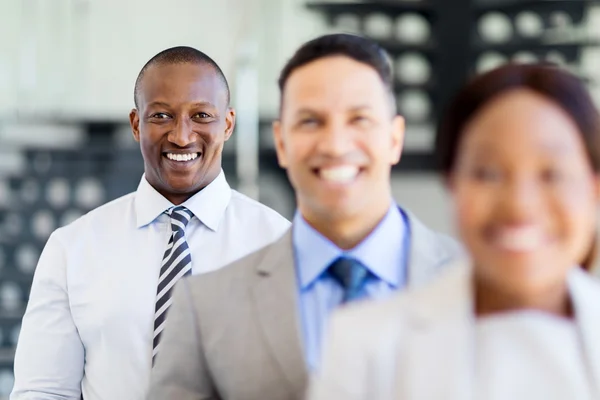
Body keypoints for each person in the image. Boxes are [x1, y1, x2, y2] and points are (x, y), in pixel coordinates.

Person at [147, 33, 463, 400]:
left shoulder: (485, 285)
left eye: (359, 119)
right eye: (311, 121)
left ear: (394, 138)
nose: (335, 145)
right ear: (282, 143)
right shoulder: (207, 306)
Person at [10, 46, 290, 400]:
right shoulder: (72, 249)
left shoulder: (280, 244)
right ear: (136, 123)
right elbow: (43, 390)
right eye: (161, 116)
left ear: (228, 123)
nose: (182, 135)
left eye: (202, 115)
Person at [308, 63, 600, 400]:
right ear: (452, 183)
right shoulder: (363, 343)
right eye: (488, 174)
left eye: (551, 174)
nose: (520, 206)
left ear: (593, 188)